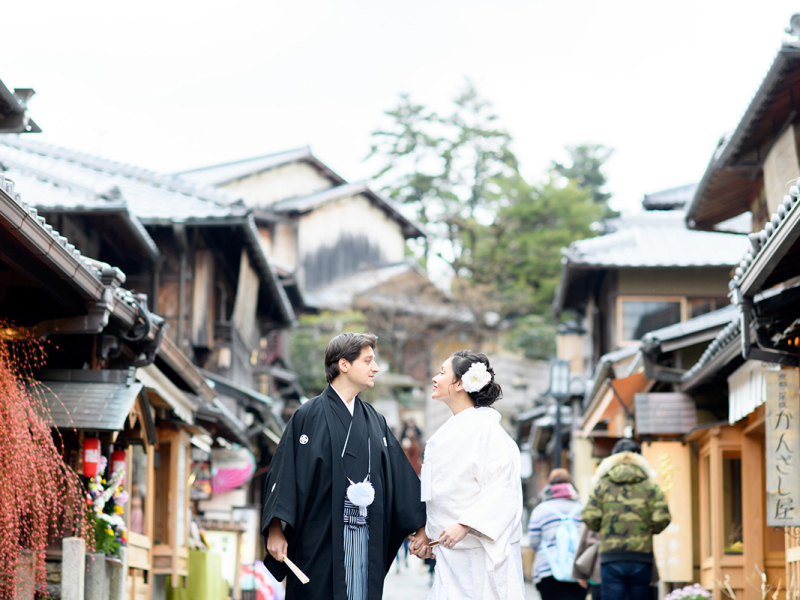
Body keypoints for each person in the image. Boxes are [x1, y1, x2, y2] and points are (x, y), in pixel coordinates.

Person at [261, 332, 427, 600]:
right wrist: (275, 530)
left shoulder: (376, 421)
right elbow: (283, 475)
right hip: (318, 538)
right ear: (344, 364)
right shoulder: (307, 416)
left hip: (366, 537)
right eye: (368, 361)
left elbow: (400, 477)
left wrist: (421, 526)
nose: (375, 368)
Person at [410, 350, 525, 600]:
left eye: (442, 372)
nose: (434, 378)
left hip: (478, 550)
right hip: (449, 552)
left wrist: (465, 524)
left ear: (460, 384)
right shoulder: (445, 433)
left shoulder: (489, 430)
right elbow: (436, 493)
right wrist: (428, 532)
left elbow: (502, 488)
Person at [582, 439, 671, 600]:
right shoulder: (650, 486)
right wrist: (647, 529)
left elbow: (590, 517)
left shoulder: (602, 485)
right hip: (641, 556)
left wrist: (604, 528)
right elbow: (662, 518)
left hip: (611, 555)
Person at [527, 468, 585, 600]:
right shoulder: (582, 509)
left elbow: (533, 542)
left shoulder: (540, 510)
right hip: (577, 570)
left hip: (547, 569)